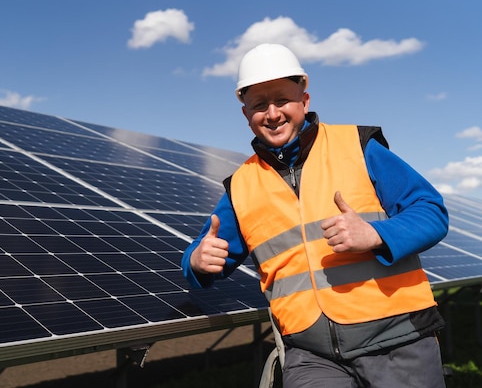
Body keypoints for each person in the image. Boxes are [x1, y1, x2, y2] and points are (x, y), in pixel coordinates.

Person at [181, 43, 449, 388]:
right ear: (246, 114)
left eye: (282, 100)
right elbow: (201, 255)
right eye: (259, 105)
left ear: (304, 101)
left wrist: (375, 235)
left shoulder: (358, 145)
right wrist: (198, 261)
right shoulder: (241, 185)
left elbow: (431, 212)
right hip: (310, 355)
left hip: (396, 341)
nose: (272, 113)